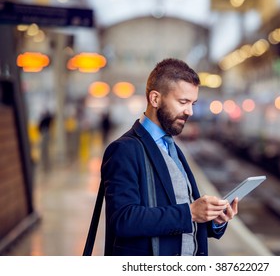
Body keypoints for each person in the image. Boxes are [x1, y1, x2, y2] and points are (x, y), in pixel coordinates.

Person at [101, 58, 238, 256]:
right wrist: (190, 212)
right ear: (155, 99)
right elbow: (123, 220)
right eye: (183, 102)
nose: (190, 111)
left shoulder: (173, 147)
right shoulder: (124, 150)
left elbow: (181, 217)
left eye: (193, 103)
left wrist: (213, 220)